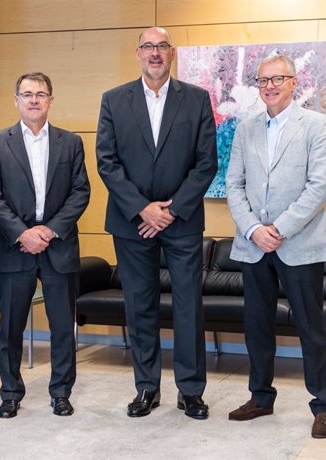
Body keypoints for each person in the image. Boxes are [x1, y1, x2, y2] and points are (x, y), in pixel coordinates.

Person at [96, 27, 218, 420]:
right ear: (137, 54)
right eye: (148, 47)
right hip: (131, 223)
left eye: (161, 46)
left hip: (181, 222)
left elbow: (206, 163)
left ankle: (191, 391)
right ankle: (146, 387)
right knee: (140, 306)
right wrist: (142, 209)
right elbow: (107, 162)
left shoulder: (197, 99)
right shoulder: (114, 100)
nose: (155, 53)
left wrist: (170, 210)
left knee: (188, 307)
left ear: (172, 53)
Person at [225, 54, 326, 438]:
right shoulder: (246, 128)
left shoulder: (316, 125)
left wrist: (280, 228)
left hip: (300, 243)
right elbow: (234, 185)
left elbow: (319, 187)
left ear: (293, 82)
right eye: (263, 81)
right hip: (253, 244)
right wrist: (256, 228)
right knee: (257, 326)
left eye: (278, 79)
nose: (270, 86)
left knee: (311, 327)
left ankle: (323, 405)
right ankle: (261, 397)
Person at [0, 72, 90, 419]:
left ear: (50, 100)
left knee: (63, 327)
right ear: (16, 100)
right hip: (16, 248)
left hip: (58, 247)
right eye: (27, 94)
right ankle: (10, 393)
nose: (33, 100)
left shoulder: (70, 142)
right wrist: (23, 233)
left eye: (40, 94)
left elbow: (80, 192)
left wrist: (49, 230)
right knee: (10, 328)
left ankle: (61, 392)